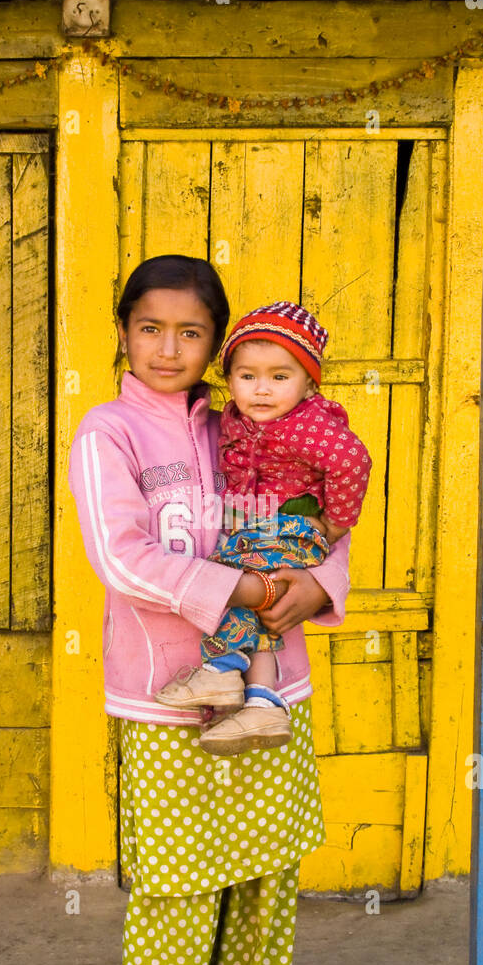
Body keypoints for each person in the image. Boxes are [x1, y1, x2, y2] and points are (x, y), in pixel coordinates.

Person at [66, 255, 352, 965]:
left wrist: (315, 586)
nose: (169, 347)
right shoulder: (106, 433)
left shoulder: (257, 414)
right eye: (150, 327)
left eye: (192, 333)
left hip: (277, 694)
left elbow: (323, 518)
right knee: (173, 906)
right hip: (164, 706)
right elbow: (120, 557)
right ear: (122, 331)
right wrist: (237, 583)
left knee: (264, 903)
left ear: (217, 346)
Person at [154, 301, 372, 755]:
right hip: (250, 525)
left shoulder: (309, 425)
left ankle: (220, 671)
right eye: (247, 376)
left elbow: (353, 462)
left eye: (280, 376)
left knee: (228, 580)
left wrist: (334, 522)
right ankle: (262, 699)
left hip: (290, 523)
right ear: (229, 379)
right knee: (253, 605)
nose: (262, 390)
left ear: (309, 382)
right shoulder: (234, 417)